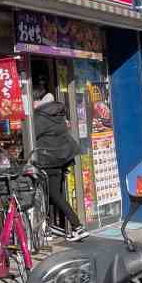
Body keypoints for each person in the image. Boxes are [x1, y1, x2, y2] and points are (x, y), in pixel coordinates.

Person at [32, 84, 88, 242]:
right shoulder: (56, 112)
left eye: (32, 100)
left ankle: (77, 226)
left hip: (48, 160)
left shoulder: (40, 116)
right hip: (62, 158)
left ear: (37, 100)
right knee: (51, 193)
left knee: (53, 194)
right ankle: (49, 227)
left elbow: (30, 134)